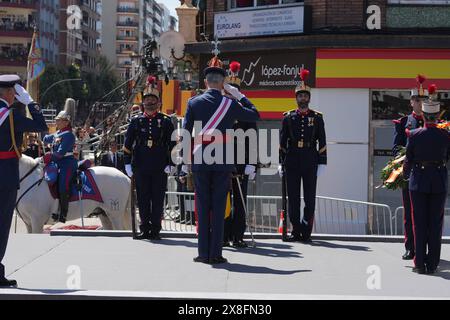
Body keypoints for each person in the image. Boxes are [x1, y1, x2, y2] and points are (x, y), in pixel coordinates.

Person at [183, 54, 260, 264]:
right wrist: (239, 95)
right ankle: (216, 254)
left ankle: (203, 253)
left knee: (203, 206)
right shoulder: (230, 103)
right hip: (223, 160)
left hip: (201, 159)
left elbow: (186, 133)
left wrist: (185, 161)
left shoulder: (194, 103)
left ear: (206, 81)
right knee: (217, 209)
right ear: (223, 82)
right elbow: (255, 115)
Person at [0, 75, 48, 287]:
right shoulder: (11, 117)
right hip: (6, 176)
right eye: (15, 92)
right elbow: (41, 126)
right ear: (10, 93)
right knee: (1, 225)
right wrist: (31, 103)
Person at [123, 76, 176, 240]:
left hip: (160, 166)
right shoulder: (136, 121)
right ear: (143, 103)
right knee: (143, 198)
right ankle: (144, 228)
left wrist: (171, 163)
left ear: (158, 103)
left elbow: (172, 144)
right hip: (140, 166)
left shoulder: (166, 121)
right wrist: (127, 164)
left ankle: (156, 230)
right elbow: (127, 144)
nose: (150, 103)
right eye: (147, 100)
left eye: (153, 100)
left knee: (158, 199)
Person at [403, 85, 449, 275]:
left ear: (423, 116)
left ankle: (420, 263)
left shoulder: (414, 135)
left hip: (418, 182)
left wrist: (405, 175)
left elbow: (408, 159)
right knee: (435, 224)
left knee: (418, 223)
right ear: (437, 116)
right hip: (438, 181)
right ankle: (433, 263)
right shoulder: (446, 136)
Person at [279, 68, 327, 242]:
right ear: (296, 98)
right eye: (300, 96)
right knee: (293, 198)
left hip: (310, 159)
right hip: (291, 160)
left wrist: (323, 163)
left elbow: (322, 140)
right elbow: (282, 143)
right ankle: (295, 230)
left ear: (309, 98)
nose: (303, 98)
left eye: (305, 96)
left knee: (309, 198)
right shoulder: (288, 117)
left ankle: (306, 231)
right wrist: (280, 163)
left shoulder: (317, 117)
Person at [392, 74, 428, 260]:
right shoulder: (404, 122)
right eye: (417, 100)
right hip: (409, 172)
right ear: (411, 102)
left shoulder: (433, 123)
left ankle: (425, 246)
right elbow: (395, 148)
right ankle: (410, 247)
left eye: (423, 100)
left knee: (426, 213)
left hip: (428, 173)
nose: (420, 103)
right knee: (409, 212)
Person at [222, 61, 257, 248]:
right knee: (224, 200)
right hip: (222, 160)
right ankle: (224, 235)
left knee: (240, 200)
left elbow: (253, 138)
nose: (231, 94)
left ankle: (238, 235)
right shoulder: (220, 108)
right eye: (229, 90)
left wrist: (253, 163)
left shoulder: (244, 112)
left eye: (235, 91)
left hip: (242, 161)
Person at [43, 98, 78, 223]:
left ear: (66, 122)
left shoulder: (69, 135)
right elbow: (47, 138)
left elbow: (60, 154)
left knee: (63, 185)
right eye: (56, 119)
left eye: (58, 120)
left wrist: (48, 156)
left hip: (66, 163)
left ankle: (63, 214)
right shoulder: (59, 132)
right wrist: (40, 129)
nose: (56, 121)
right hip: (57, 162)